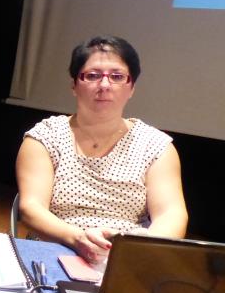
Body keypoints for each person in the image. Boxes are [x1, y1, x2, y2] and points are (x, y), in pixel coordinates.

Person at [15, 35, 187, 264]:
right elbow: (31, 207)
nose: (104, 85)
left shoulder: (155, 146)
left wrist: (140, 251)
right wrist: (77, 238)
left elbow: (171, 214)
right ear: (74, 85)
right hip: (55, 248)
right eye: (93, 76)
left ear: (132, 87)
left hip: (126, 257)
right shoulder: (45, 136)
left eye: (117, 77)